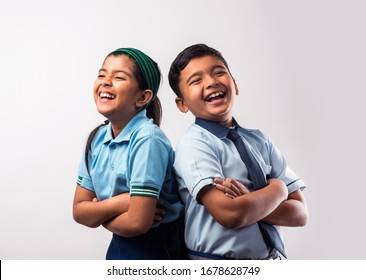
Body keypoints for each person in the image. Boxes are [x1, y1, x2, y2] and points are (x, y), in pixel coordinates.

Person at [168, 43, 308, 260]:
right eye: (196, 80)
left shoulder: (259, 140)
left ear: (235, 85)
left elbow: (300, 213)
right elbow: (230, 214)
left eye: (219, 72)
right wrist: (278, 189)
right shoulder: (194, 145)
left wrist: (251, 201)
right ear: (182, 103)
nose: (212, 82)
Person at [73, 47, 186, 260]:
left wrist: (98, 216)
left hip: (156, 248)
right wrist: (122, 203)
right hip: (119, 244)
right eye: (102, 75)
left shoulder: (147, 139)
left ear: (143, 97)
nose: (106, 82)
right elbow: (79, 211)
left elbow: (137, 223)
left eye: (118, 77)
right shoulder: (97, 138)